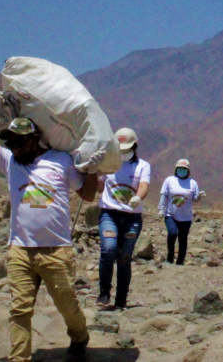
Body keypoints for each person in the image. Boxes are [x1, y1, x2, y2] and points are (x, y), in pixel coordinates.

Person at [0, 91, 99, 362]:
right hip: (20, 249)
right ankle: (20, 358)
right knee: (20, 310)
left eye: (19, 142)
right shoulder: (10, 162)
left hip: (56, 249)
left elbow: (87, 196)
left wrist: (92, 169)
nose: (14, 147)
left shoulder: (60, 160)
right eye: (11, 142)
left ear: (33, 140)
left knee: (67, 305)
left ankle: (79, 337)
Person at [95, 127, 150, 310]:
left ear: (134, 146)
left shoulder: (142, 166)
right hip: (110, 213)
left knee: (125, 257)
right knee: (109, 249)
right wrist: (93, 171)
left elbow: (144, 185)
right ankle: (104, 291)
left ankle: (121, 299)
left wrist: (138, 197)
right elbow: (98, 187)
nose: (123, 152)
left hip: (131, 217)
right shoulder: (108, 164)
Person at [157, 158, 204, 265]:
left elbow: (195, 199)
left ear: (188, 170)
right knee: (172, 234)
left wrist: (199, 197)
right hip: (171, 214)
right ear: (176, 169)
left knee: (183, 239)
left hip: (186, 217)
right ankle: (169, 258)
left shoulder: (192, 183)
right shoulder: (169, 180)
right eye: (180, 168)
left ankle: (180, 261)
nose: (182, 170)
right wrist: (161, 209)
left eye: (184, 169)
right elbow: (164, 194)